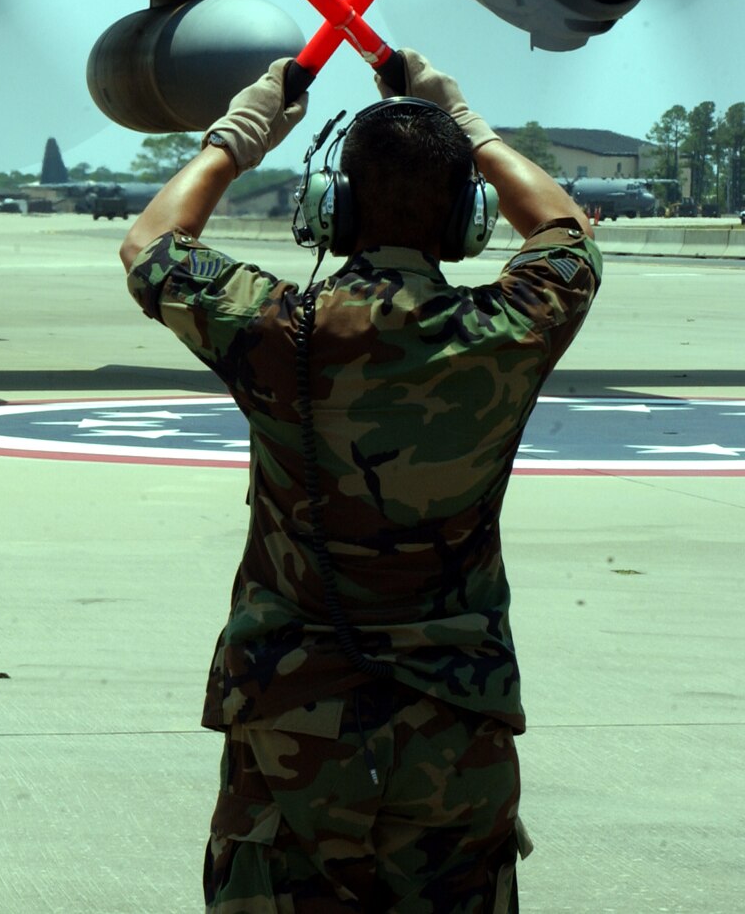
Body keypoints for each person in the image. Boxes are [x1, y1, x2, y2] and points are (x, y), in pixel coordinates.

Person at [119, 50, 602, 912]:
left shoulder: (276, 328)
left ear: (328, 214)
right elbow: (567, 233)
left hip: (291, 739)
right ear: (466, 222)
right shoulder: (509, 328)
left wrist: (241, 134)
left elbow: (150, 245)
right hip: (456, 741)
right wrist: (468, 125)